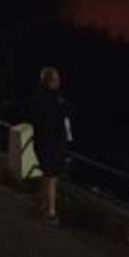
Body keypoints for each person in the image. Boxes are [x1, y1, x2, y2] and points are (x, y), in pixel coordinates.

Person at [30, 66, 73, 226]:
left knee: (46, 174)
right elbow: (65, 118)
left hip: (41, 142)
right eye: (56, 79)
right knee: (52, 177)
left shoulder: (37, 96)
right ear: (49, 81)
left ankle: (42, 205)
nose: (59, 82)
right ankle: (51, 212)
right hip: (53, 144)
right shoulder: (55, 101)